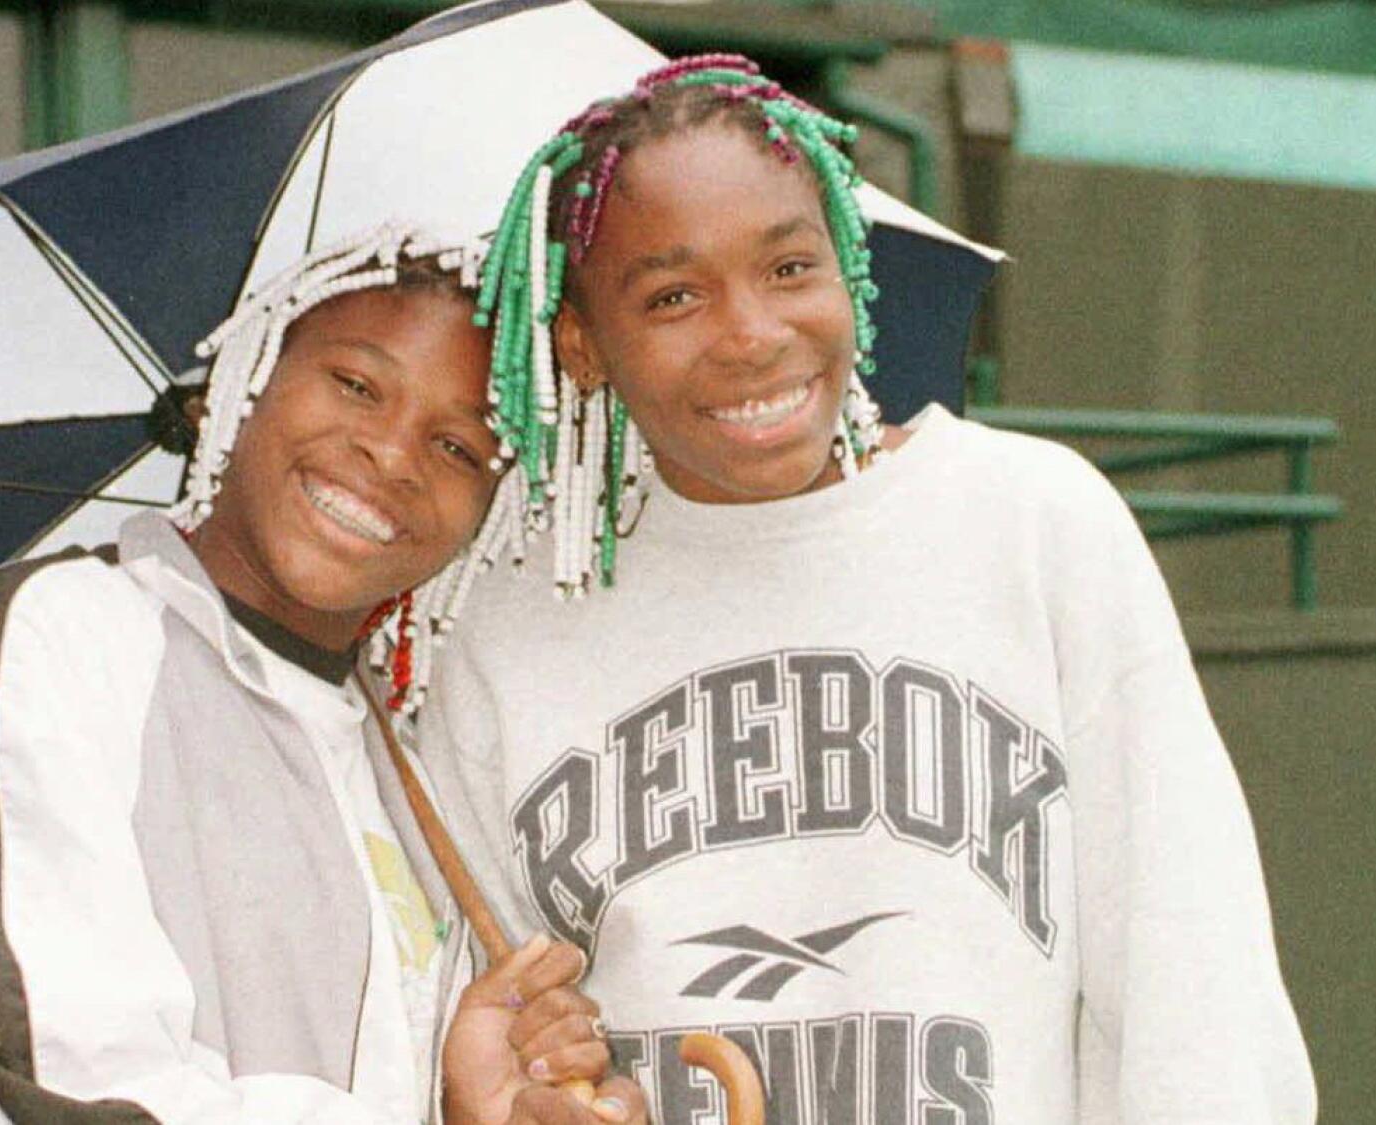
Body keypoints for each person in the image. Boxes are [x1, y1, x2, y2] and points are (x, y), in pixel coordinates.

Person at [417, 58, 1317, 1124]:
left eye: (789, 268)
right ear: (582, 344)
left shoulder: (1031, 522)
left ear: (847, 268)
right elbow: (475, 1024)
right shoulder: (501, 605)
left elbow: (1189, 974)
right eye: (671, 296)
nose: (750, 333)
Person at [0, 224, 645, 1125]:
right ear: (237, 387)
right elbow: (57, 1082)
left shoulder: (400, 756)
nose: (395, 455)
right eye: (357, 386)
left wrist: (465, 1099)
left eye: (459, 448)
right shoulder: (53, 640)